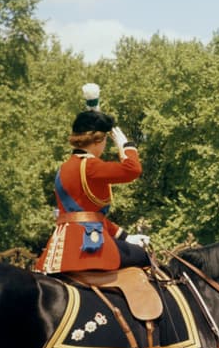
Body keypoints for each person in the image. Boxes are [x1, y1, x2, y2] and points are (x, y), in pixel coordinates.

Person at [38, 108, 146, 274]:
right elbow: (133, 169)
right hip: (89, 245)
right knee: (144, 256)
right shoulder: (91, 166)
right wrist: (126, 146)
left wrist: (126, 237)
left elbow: (90, 215)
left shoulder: (65, 167)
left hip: (62, 245)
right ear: (98, 140)